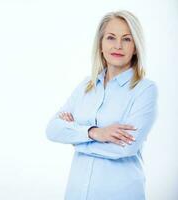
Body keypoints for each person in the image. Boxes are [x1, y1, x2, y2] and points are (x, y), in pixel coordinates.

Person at [45, 10, 158, 200]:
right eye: (111, 38)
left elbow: (125, 148)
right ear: (101, 44)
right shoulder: (85, 87)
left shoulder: (145, 90)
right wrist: (94, 132)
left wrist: (75, 137)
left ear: (136, 47)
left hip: (120, 193)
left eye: (127, 39)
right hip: (77, 193)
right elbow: (52, 129)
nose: (118, 46)